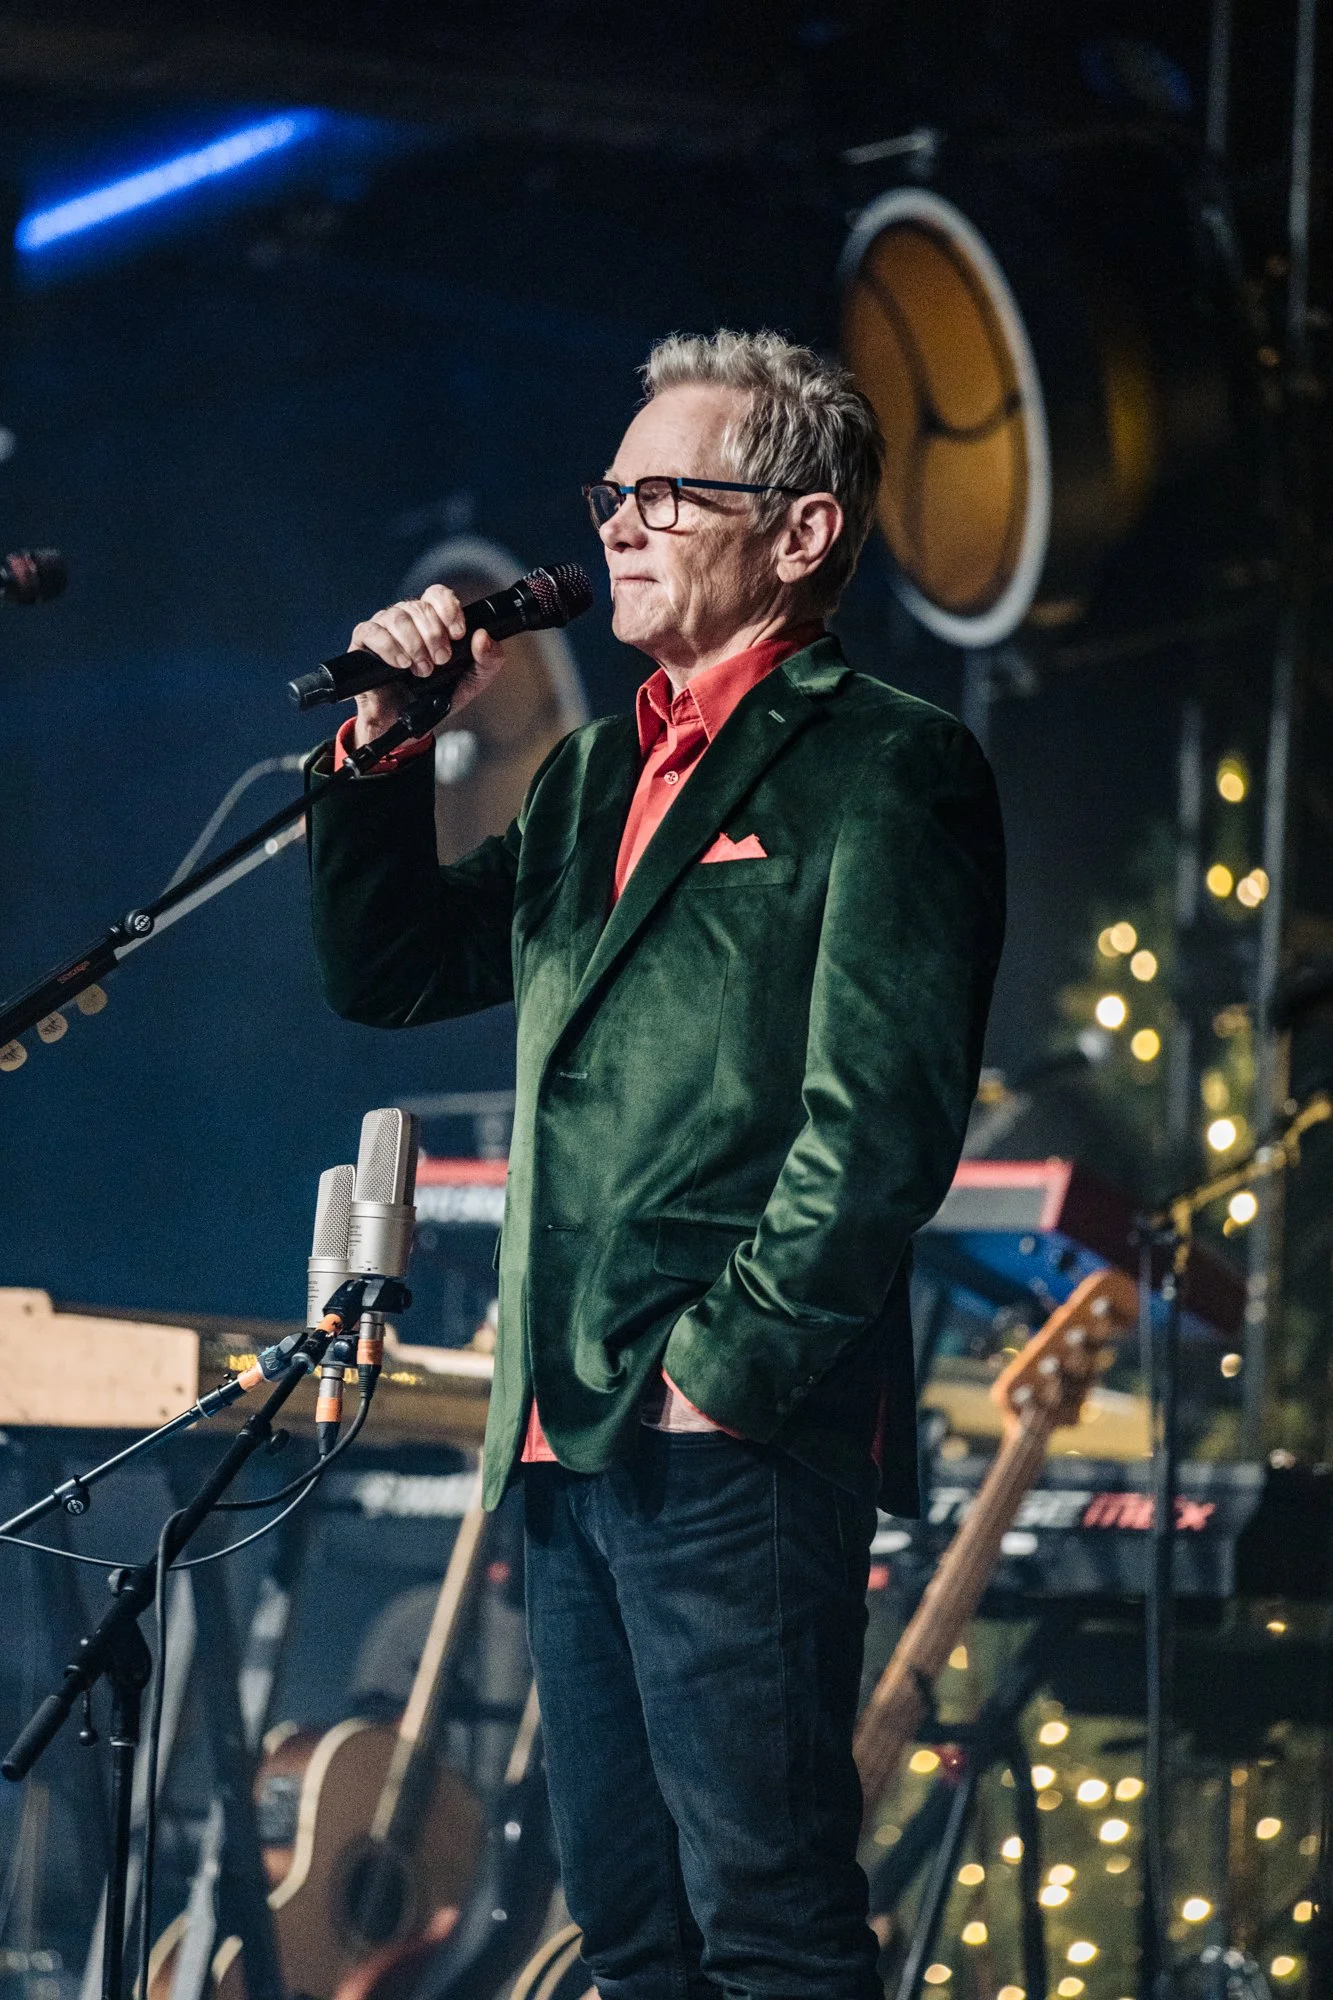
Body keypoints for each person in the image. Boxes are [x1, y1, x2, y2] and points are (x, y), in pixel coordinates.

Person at [308, 330, 1006, 2000]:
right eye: (612, 492)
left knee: (769, 1925)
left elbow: (883, 1121)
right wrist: (390, 744)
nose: (617, 524)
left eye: (664, 492)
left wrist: (730, 1367)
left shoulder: (886, 763)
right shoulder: (593, 774)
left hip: (723, 1435)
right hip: (559, 1430)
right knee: (631, 1929)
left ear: (802, 532)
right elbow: (393, 974)